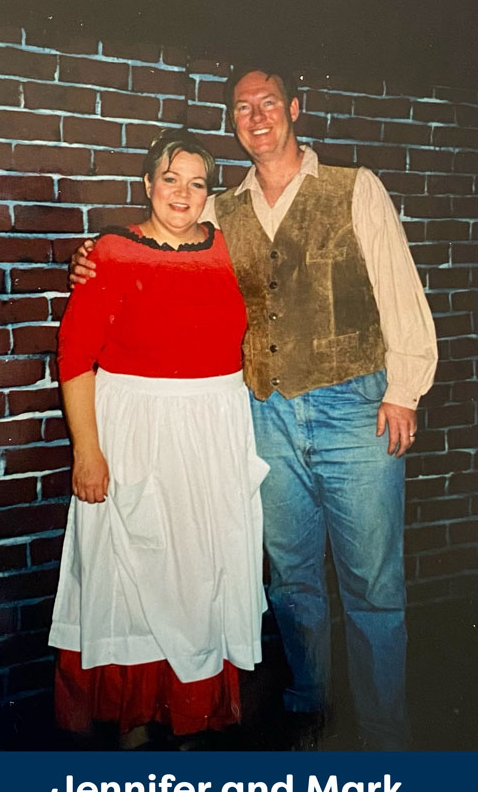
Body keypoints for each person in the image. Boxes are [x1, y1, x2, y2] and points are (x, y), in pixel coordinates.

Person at [70, 63, 438, 750]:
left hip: (355, 407)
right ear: (233, 124)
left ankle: (387, 733)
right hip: (262, 413)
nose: (257, 115)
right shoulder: (220, 208)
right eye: (243, 107)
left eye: (268, 101)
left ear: (296, 107)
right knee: (294, 575)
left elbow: (399, 285)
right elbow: (164, 235)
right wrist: (95, 257)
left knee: (372, 582)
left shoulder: (354, 188)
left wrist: (403, 390)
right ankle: (312, 705)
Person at [50, 128, 268, 751]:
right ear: (147, 184)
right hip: (137, 431)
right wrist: (88, 452)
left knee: (202, 572)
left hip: (213, 433)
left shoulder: (230, 249)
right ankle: (135, 720)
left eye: (197, 182)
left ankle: (189, 714)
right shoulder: (113, 252)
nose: (183, 192)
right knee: (133, 577)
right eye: (170, 178)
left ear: (210, 194)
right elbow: (74, 355)